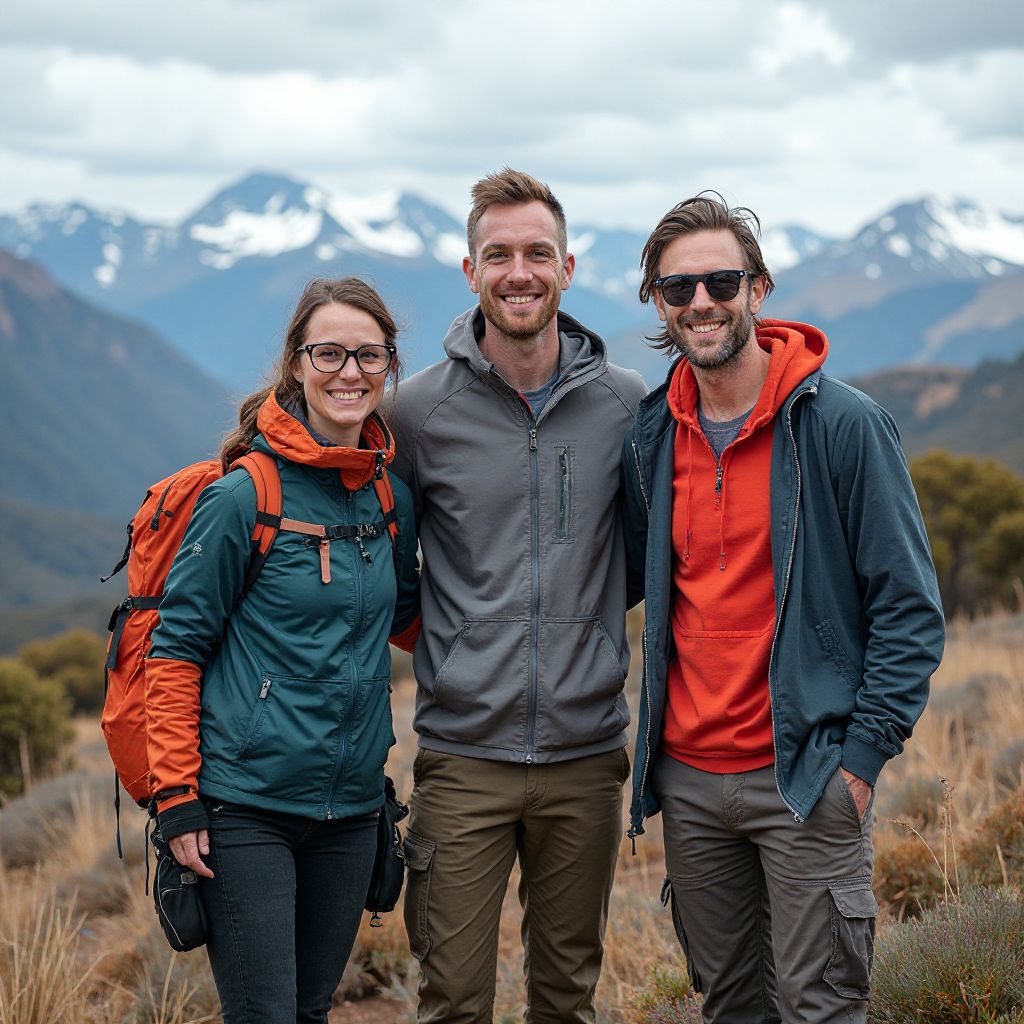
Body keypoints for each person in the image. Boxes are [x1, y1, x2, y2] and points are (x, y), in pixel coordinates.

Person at [622, 193, 945, 1023]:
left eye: (721, 282)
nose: (701, 302)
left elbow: (909, 609)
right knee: (730, 1005)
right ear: (659, 304)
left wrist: (860, 763)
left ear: (758, 289)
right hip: (690, 785)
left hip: (807, 775)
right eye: (678, 288)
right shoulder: (653, 434)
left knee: (820, 1005)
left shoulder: (842, 425)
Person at [389, 168, 647, 1024]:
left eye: (538, 253)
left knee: (567, 998)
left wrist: (587, 632)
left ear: (567, 267)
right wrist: (457, 646)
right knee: (453, 1001)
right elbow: (389, 566)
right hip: (462, 757)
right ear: (471, 272)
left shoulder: (625, 405)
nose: (519, 272)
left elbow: (638, 555)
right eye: (498, 255)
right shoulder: (416, 414)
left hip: (586, 755)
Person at [145, 277, 420, 1024]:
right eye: (329, 353)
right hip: (244, 809)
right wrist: (177, 798)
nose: (349, 372)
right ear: (297, 363)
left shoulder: (389, 497)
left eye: (368, 355)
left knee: (309, 1011)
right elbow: (174, 650)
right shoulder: (244, 497)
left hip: (352, 809)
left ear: (389, 365)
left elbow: (408, 619)